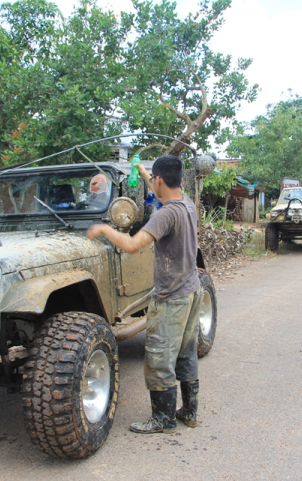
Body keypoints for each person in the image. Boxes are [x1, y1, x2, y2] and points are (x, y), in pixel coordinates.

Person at [87, 155, 203, 434]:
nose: (152, 183)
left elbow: (131, 245)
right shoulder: (185, 203)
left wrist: (104, 229)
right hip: (192, 290)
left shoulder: (165, 214)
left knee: (159, 357)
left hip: (171, 297)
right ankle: (189, 412)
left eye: (153, 178)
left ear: (160, 179)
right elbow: (157, 190)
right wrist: (141, 170)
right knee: (185, 354)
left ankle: (163, 420)